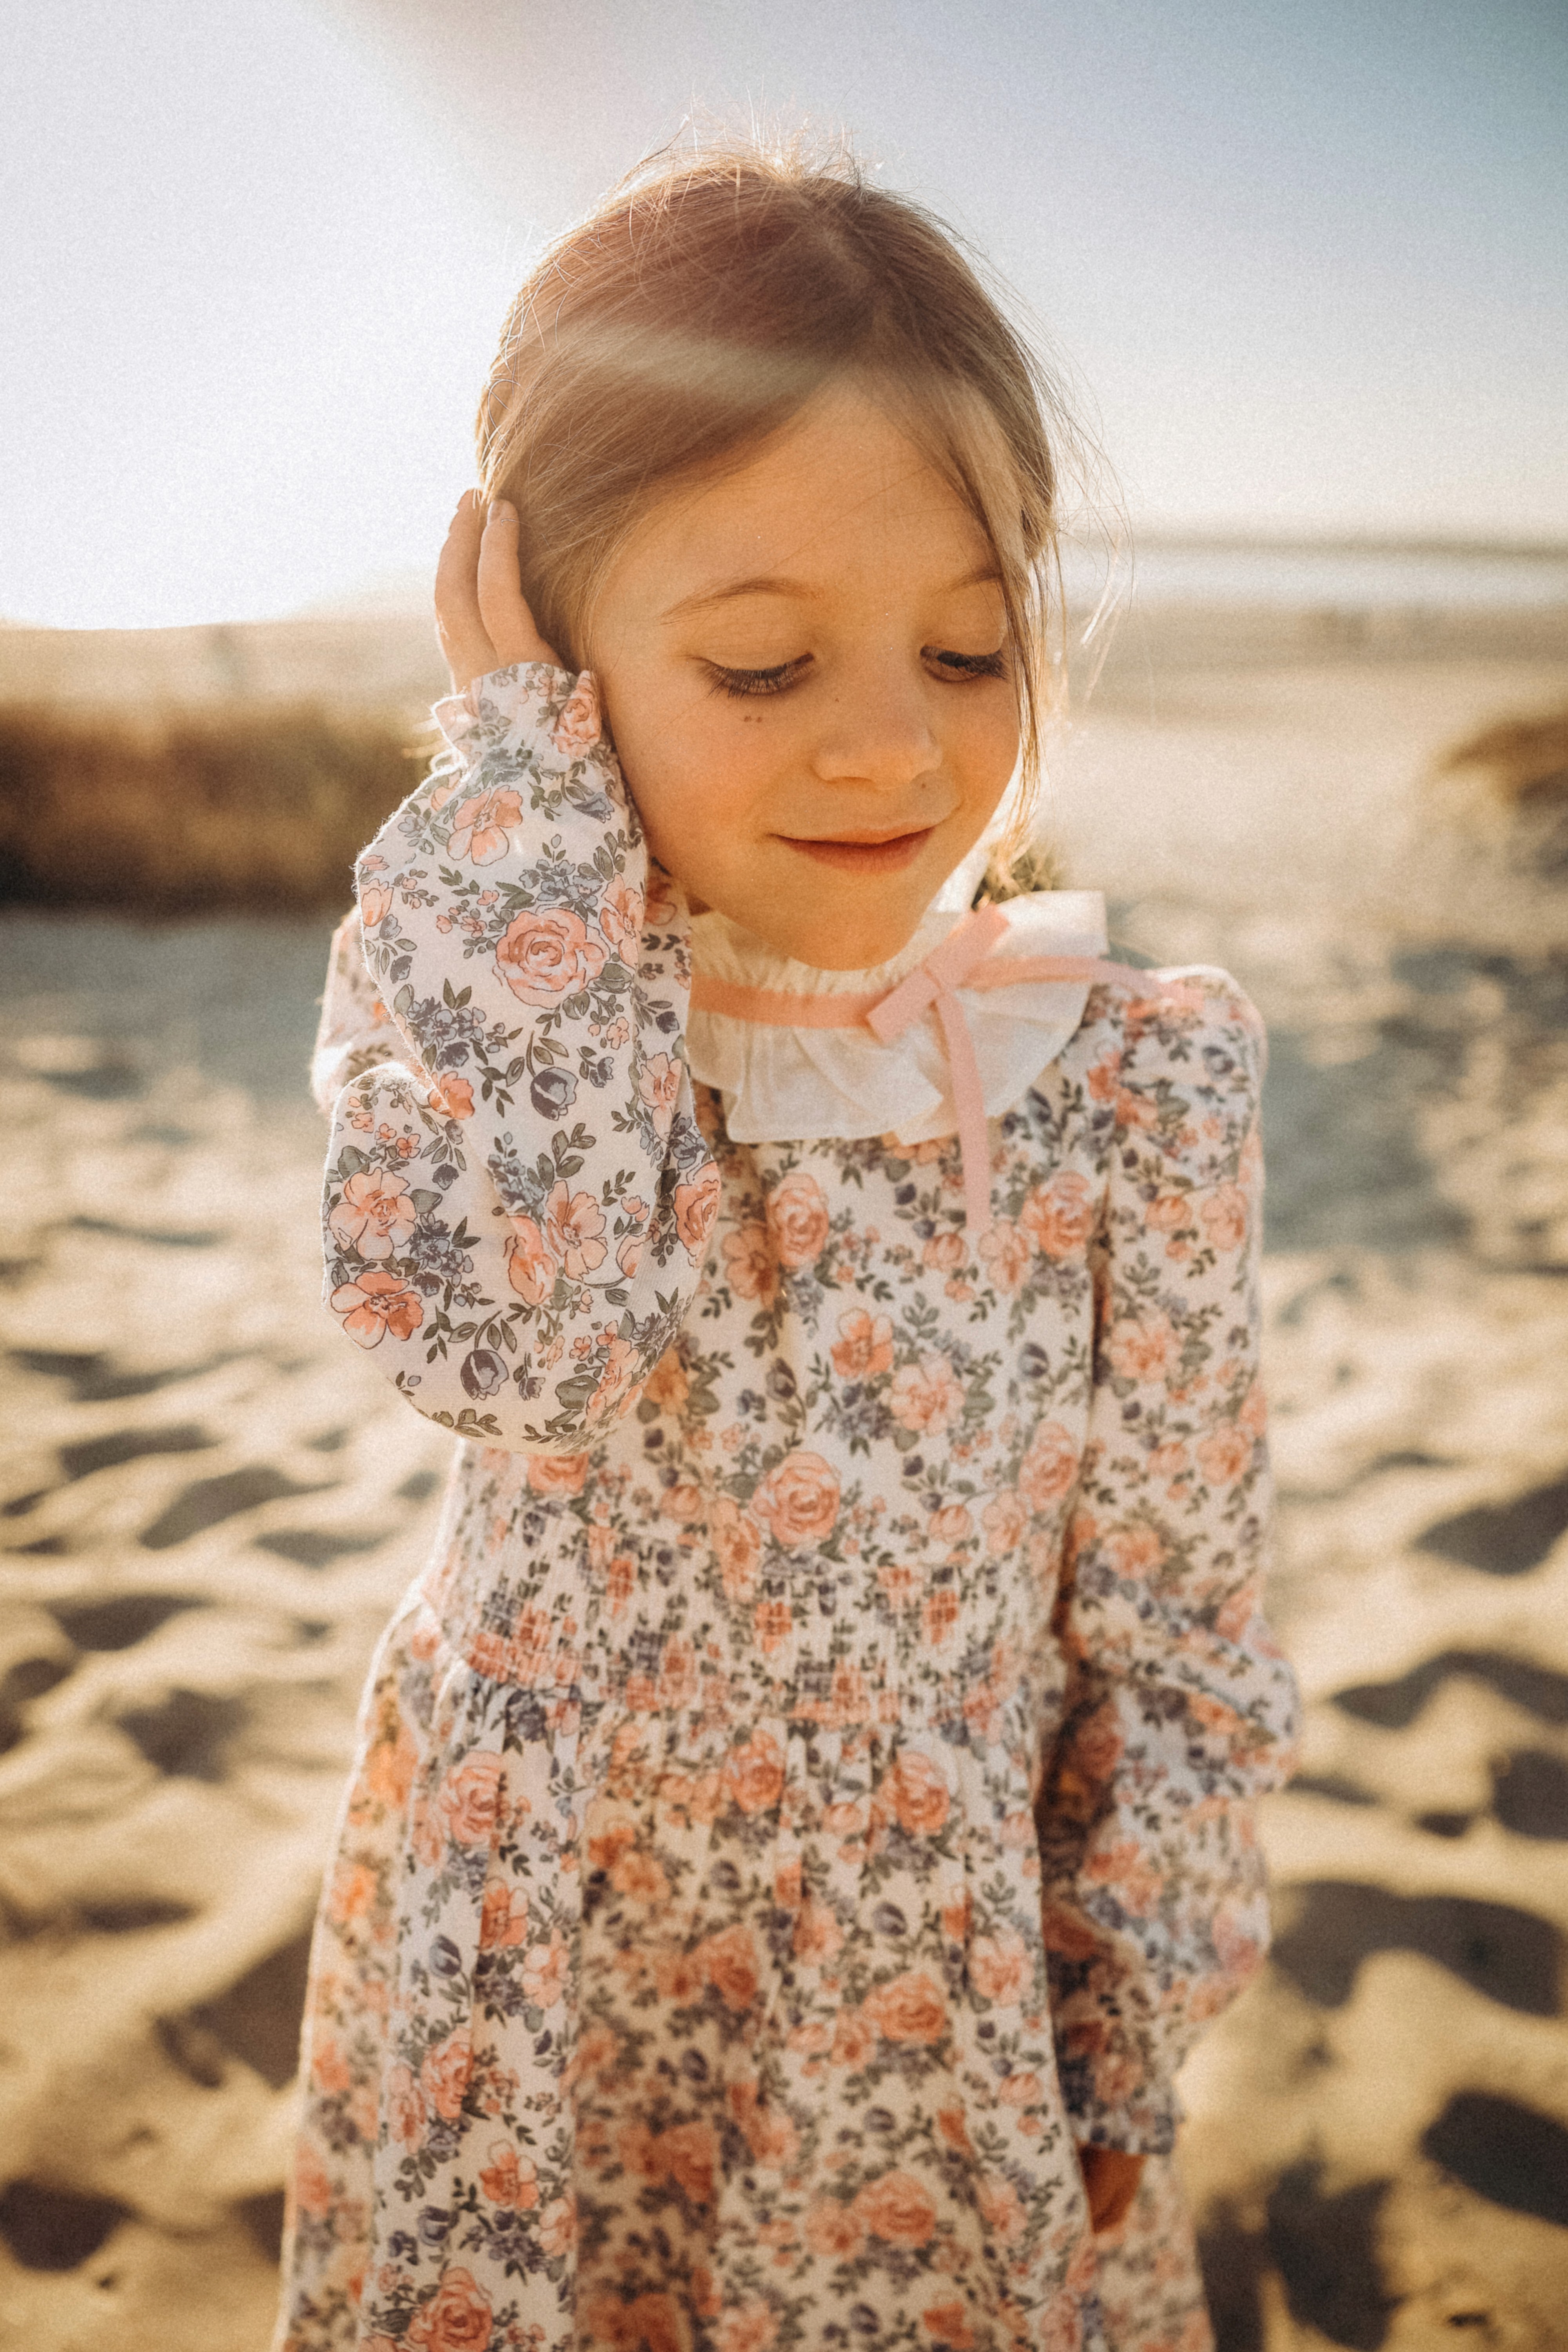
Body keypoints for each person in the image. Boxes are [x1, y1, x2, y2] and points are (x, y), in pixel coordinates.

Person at [276, 141, 1298, 2352]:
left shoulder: (1134, 1087)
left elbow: (1185, 1626)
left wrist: (1128, 2011)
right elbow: (510, 1341)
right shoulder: (503, 991)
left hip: (922, 2041)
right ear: (549, 645)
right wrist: (531, 814)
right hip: (544, 2009)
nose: (891, 741)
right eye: (758, 662)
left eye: (967, 641)